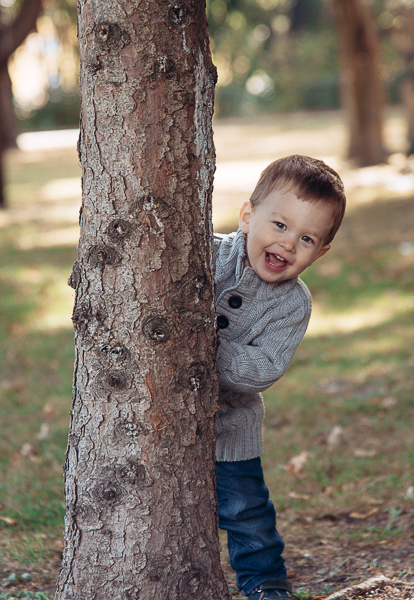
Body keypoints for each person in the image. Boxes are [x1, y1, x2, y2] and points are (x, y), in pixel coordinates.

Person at [214, 154, 346, 600]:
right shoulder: (205, 255)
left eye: (307, 238)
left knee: (247, 512)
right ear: (248, 216)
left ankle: (265, 583)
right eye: (281, 225)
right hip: (159, 427)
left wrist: (206, 350)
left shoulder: (293, 304)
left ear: (321, 252)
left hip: (231, 429)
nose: (288, 244)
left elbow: (265, 366)